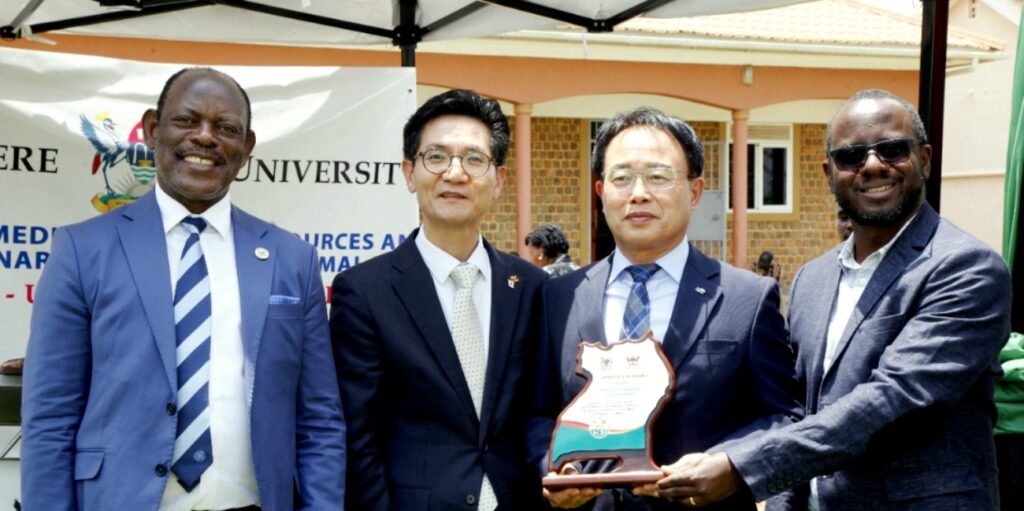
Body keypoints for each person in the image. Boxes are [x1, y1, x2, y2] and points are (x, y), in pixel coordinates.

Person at [658, 89, 1012, 510]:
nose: (873, 165)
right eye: (851, 156)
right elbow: (797, 410)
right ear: (829, 173)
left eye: (893, 149)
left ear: (926, 160)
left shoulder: (967, 268)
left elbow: (891, 397)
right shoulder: (813, 278)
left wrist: (740, 465)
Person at [20, 68, 346, 510]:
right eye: (187, 121)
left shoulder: (292, 260)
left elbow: (320, 420)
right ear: (153, 130)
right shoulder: (82, 250)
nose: (206, 138)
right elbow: (50, 417)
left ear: (246, 148)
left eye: (226, 128)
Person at [528, 107, 801, 511]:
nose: (638, 192)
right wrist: (550, 468)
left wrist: (728, 465)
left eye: (658, 176)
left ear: (694, 192)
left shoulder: (748, 298)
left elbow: (782, 416)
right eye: (622, 178)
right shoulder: (559, 297)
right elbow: (536, 412)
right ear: (602, 194)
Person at [330, 89, 547, 510]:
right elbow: (360, 437)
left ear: (499, 180)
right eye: (436, 157)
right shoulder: (364, 291)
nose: (454, 173)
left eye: (474, 159)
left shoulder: (533, 288)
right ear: (410, 174)